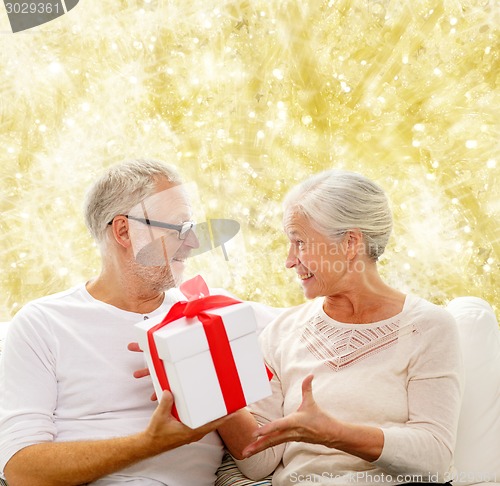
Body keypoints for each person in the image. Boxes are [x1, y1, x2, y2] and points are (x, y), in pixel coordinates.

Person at [0, 158, 278, 486]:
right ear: (124, 231)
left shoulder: (205, 312)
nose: (193, 243)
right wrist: (149, 443)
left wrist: (205, 375)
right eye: (180, 229)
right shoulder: (42, 323)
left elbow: (254, 456)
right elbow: (21, 470)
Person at [218, 170, 464, 485]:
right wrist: (210, 389)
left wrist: (335, 434)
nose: (289, 260)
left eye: (299, 242)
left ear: (350, 243)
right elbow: (258, 461)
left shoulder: (428, 327)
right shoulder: (281, 333)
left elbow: (435, 458)